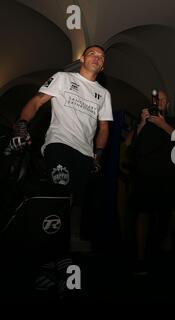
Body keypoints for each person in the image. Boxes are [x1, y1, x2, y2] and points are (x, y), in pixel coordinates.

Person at [9, 45, 113, 294]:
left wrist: (97, 155)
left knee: (69, 202)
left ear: (103, 65)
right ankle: (48, 262)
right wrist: (23, 124)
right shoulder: (64, 78)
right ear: (82, 58)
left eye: (102, 57)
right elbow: (37, 101)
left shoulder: (103, 94)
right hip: (59, 145)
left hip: (84, 155)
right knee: (56, 197)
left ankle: (58, 254)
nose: (97, 58)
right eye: (93, 54)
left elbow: (104, 129)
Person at [125, 90, 175, 274]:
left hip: (171, 176)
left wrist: (163, 125)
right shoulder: (143, 122)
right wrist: (140, 123)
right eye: (157, 99)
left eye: (163, 99)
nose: (160, 101)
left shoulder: (173, 121)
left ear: (168, 104)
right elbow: (128, 145)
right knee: (143, 215)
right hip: (146, 177)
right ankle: (140, 260)